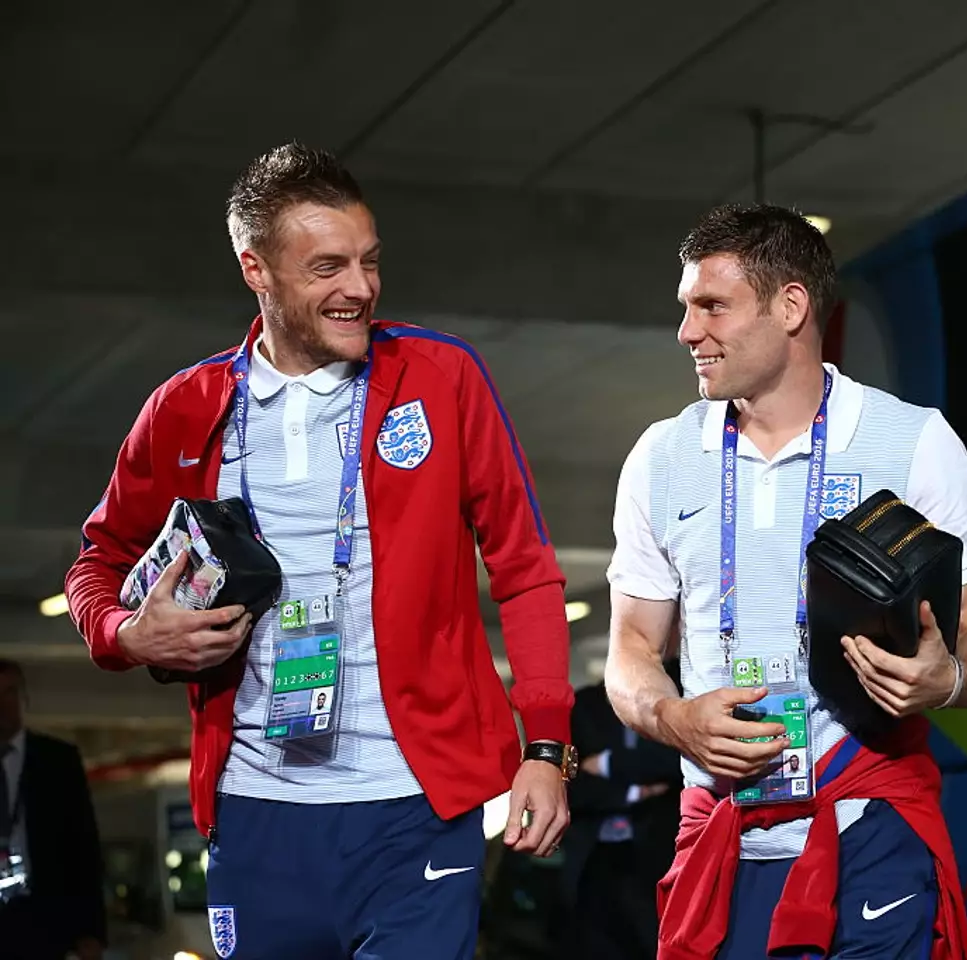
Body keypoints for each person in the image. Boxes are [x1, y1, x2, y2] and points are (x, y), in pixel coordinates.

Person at [64, 142, 577, 959]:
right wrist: (126, 635)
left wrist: (546, 745)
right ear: (256, 271)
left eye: (370, 262)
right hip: (255, 807)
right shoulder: (185, 410)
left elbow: (524, 568)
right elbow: (96, 564)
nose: (361, 288)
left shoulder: (443, 379)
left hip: (415, 808)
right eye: (328, 267)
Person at [604, 203, 967, 959]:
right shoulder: (661, 458)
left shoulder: (913, 441)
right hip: (722, 839)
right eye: (686, 308)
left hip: (871, 826)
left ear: (791, 306)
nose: (687, 332)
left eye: (712, 306)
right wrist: (673, 719)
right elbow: (630, 648)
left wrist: (946, 676)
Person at [560, 657, 684, 960]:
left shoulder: (677, 696)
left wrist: (605, 763)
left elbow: (674, 762)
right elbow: (569, 787)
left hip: (658, 856)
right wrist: (633, 790)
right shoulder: (585, 706)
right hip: (594, 860)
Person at [0, 659, 106, 960]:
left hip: (44, 919)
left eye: (9, 693)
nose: (2, 704)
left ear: (24, 699)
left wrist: (92, 931)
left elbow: (84, 847)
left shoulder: (58, 760)